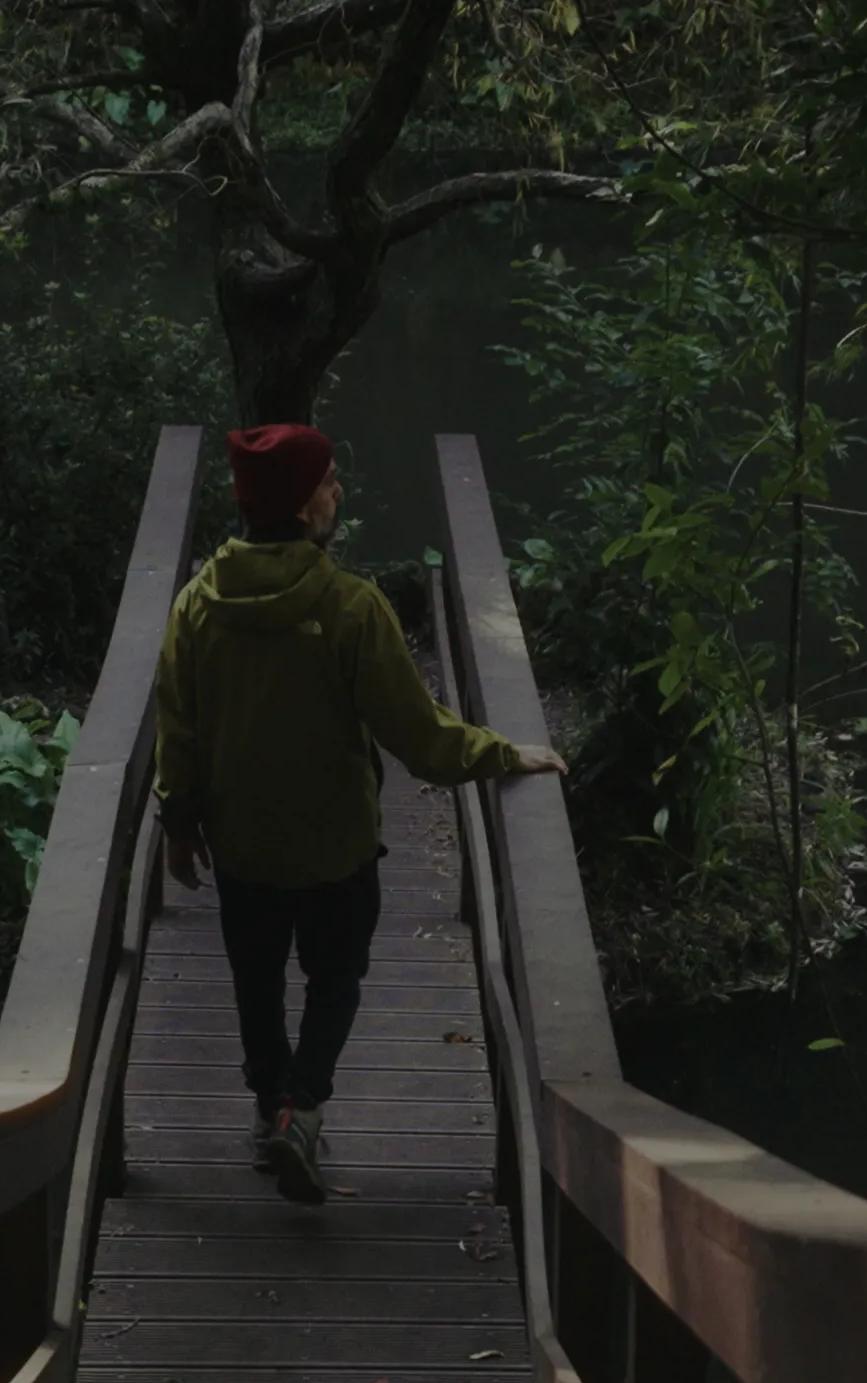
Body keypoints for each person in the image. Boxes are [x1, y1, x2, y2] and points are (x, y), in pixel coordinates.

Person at [153, 424, 565, 1204]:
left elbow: (181, 729)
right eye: (332, 481)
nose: (339, 492)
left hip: (241, 846)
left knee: (255, 981)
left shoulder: (196, 609)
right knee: (335, 977)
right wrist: (503, 754)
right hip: (337, 847)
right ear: (308, 505)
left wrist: (179, 822)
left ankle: (267, 1104)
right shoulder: (351, 608)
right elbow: (418, 734)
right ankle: (302, 1107)